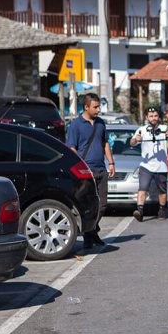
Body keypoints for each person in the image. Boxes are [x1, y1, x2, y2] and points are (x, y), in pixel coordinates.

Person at [66, 93, 115, 249]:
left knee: (102, 205)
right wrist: (80, 168)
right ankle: (90, 234)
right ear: (86, 107)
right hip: (86, 172)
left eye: (99, 106)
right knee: (89, 205)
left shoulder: (100, 123)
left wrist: (111, 163)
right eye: (95, 107)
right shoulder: (76, 124)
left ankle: (92, 231)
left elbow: (105, 143)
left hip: (101, 169)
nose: (98, 109)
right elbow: (72, 148)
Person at [130, 107, 168, 222]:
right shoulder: (141, 130)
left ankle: (161, 210)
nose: (153, 118)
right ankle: (140, 211)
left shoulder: (164, 128)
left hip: (161, 166)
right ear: (147, 117)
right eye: (151, 116)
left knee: (162, 190)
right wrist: (136, 140)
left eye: (155, 116)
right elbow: (131, 143)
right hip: (146, 165)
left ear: (159, 117)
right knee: (143, 188)